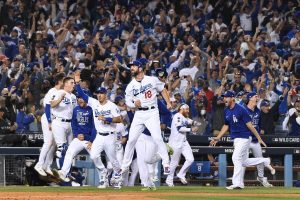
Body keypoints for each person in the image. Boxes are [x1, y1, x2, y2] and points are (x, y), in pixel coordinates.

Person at [210, 91, 275, 190]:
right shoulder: (226, 110)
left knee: (235, 158)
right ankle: (265, 160)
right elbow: (226, 125)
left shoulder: (241, 109)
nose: (224, 99)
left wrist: (259, 138)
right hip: (236, 138)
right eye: (224, 97)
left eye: (226, 97)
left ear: (232, 98)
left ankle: (237, 183)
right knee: (243, 161)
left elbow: (250, 126)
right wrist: (218, 137)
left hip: (244, 137)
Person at [122, 60, 172, 175]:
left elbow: (163, 89)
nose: (132, 68)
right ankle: (124, 166)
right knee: (131, 140)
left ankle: (166, 163)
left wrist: (168, 102)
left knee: (158, 138)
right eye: (131, 66)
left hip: (152, 112)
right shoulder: (130, 86)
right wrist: (134, 104)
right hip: (139, 114)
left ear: (140, 67)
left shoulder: (152, 79)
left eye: (134, 66)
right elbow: (128, 101)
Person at [74, 72, 123, 189]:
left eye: (101, 93)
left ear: (105, 94)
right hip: (99, 136)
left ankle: (118, 175)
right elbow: (81, 94)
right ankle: (104, 174)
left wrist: (107, 118)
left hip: (110, 136)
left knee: (113, 160)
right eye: (98, 94)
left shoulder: (111, 106)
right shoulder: (94, 103)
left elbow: (119, 119)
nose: (99, 95)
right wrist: (77, 83)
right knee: (94, 156)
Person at [56, 89, 106, 189]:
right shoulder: (76, 109)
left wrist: (91, 140)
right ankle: (63, 173)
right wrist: (77, 134)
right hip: (79, 138)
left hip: (89, 139)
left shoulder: (92, 109)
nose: (80, 100)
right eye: (78, 98)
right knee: (69, 152)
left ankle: (103, 177)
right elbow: (73, 124)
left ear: (86, 99)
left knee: (95, 157)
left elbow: (95, 127)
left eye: (82, 98)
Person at [34, 72, 65, 176]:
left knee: (54, 144)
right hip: (48, 118)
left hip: (55, 120)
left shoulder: (60, 91)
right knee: (48, 142)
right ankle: (39, 164)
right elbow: (47, 107)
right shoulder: (52, 91)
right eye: (63, 80)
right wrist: (49, 121)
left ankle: (47, 165)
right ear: (60, 81)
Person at [166, 104, 200, 187]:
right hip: (175, 143)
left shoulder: (184, 117)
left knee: (190, 159)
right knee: (174, 163)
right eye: (186, 109)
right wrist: (191, 129)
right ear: (181, 109)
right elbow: (180, 128)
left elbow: (190, 121)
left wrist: (198, 123)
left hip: (184, 142)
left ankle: (181, 174)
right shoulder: (177, 116)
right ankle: (169, 180)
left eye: (188, 109)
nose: (188, 111)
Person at [243, 92, 273, 187]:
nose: (257, 98)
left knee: (260, 160)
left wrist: (258, 136)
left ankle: (261, 177)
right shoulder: (243, 110)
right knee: (242, 161)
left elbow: (259, 126)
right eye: (255, 97)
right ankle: (239, 180)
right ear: (250, 98)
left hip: (255, 140)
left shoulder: (258, 111)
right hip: (245, 139)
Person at [51, 77, 77, 168]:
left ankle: (69, 171)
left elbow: (75, 111)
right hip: (59, 122)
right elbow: (52, 104)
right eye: (71, 83)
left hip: (70, 124)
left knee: (71, 149)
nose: (74, 85)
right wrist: (60, 99)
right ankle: (59, 170)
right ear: (65, 84)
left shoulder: (73, 96)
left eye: (74, 83)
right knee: (61, 147)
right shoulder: (58, 93)